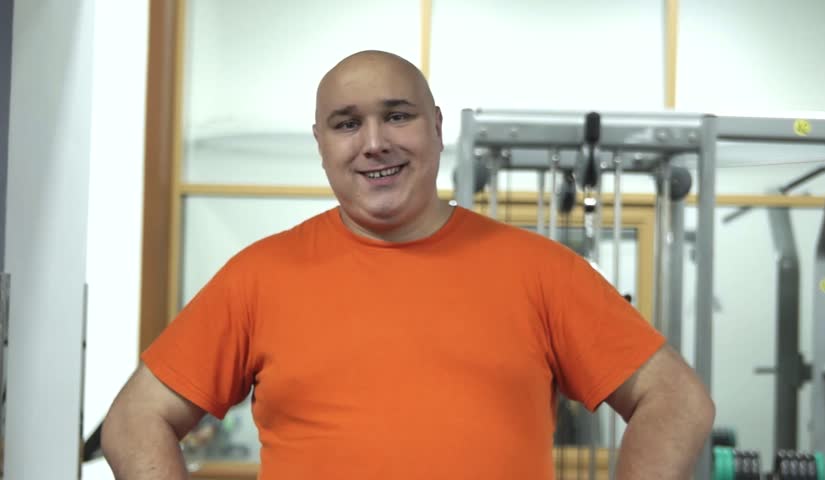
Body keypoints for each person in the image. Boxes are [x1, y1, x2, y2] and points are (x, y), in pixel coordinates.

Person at [102, 50, 715, 479]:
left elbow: (676, 400)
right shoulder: (259, 277)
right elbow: (135, 418)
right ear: (321, 144)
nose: (375, 142)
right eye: (348, 124)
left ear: (436, 127)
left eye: (398, 115)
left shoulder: (540, 273)